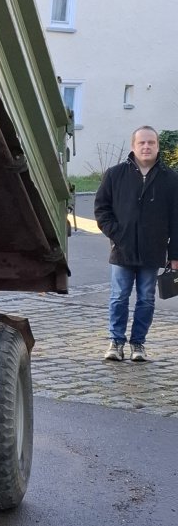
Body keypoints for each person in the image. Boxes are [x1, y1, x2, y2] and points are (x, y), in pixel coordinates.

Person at [92, 126, 178, 361]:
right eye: (142, 143)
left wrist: (175, 255)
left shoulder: (170, 178)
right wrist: (116, 234)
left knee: (146, 299)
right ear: (133, 146)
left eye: (151, 142)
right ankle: (116, 342)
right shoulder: (115, 174)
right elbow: (101, 209)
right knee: (119, 297)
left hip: (153, 250)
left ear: (157, 146)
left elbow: (176, 219)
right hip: (122, 249)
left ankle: (138, 344)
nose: (146, 146)